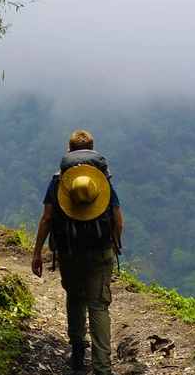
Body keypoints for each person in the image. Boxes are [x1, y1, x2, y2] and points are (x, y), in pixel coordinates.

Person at [31, 130, 123, 375]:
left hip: (69, 250)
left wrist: (37, 253)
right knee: (99, 306)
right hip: (100, 250)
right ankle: (102, 367)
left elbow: (47, 218)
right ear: (93, 149)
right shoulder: (102, 180)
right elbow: (117, 219)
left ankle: (78, 349)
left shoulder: (59, 181)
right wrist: (114, 245)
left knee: (74, 296)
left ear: (69, 151)